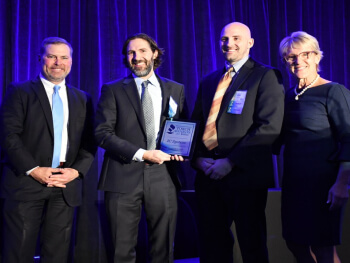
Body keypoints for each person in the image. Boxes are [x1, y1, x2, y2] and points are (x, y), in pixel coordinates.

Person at [191, 22, 285, 263]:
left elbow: (268, 127)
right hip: (208, 176)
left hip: (245, 177)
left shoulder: (266, 75)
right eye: (224, 39)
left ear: (250, 43)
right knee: (212, 246)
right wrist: (198, 159)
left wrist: (230, 162)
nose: (229, 43)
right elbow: (197, 123)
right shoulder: (209, 80)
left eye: (236, 38)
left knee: (251, 245)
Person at [0, 37, 96, 263]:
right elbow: (8, 136)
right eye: (51, 56)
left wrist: (76, 171)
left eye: (64, 57)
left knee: (57, 255)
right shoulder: (19, 91)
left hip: (64, 186)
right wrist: (33, 169)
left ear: (71, 62)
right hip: (25, 185)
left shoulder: (82, 98)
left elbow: (90, 142)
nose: (57, 62)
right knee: (18, 253)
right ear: (40, 59)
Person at [94, 33, 186, 263]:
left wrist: (182, 149)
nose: (137, 57)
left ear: (154, 54)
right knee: (121, 251)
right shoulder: (112, 89)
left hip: (163, 176)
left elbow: (184, 127)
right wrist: (142, 154)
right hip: (121, 176)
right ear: (126, 58)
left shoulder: (176, 89)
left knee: (163, 249)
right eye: (131, 53)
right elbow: (102, 133)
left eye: (143, 51)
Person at [277, 31, 350, 263]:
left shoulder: (334, 91)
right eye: (291, 57)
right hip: (294, 184)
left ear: (317, 57)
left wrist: (341, 184)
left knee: (323, 249)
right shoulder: (289, 95)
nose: (299, 61)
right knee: (295, 244)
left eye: (306, 54)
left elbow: (349, 139)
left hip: (323, 185)